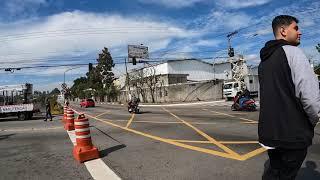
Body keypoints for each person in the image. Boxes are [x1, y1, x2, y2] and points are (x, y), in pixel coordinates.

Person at [259, 15, 320, 179]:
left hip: (269, 134)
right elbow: (311, 98)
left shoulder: (264, 62)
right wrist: (311, 122)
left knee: (275, 172)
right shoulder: (293, 52)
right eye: (296, 28)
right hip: (293, 135)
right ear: (283, 31)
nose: (300, 32)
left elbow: (263, 97)